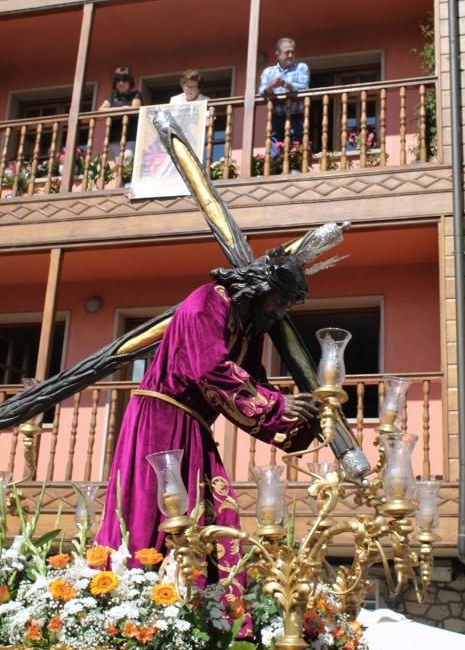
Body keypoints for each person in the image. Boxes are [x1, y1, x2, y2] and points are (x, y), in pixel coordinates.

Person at [96, 248, 319, 596]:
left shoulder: (251, 327)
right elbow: (210, 369)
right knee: (153, 518)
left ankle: (210, 608)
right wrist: (278, 405)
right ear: (259, 288)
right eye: (279, 301)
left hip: (195, 427)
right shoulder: (207, 302)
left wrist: (298, 416)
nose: (281, 313)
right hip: (160, 422)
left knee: (212, 518)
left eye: (288, 305)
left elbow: (252, 380)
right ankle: (139, 600)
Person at [258, 38, 310, 150]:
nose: (291, 55)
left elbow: (304, 87)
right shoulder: (268, 72)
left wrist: (284, 84)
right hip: (276, 118)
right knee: (275, 153)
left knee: (296, 153)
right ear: (278, 54)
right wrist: (271, 86)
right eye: (287, 52)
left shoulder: (301, 68)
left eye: (293, 52)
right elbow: (262, 91)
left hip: (296, 117)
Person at [99, 66, 143, 160]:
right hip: (114, 136)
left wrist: (112, 111)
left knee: (127, 160)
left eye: (124, 80)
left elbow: (134, 108)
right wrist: (123, 108)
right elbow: (101, 111)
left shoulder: (135, 94)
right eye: (118, 80)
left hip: (131, 136)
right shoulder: (112, 96)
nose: (121, 83)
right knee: (118, 163)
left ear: (130, 82)